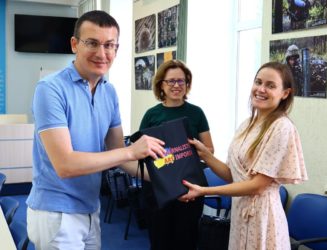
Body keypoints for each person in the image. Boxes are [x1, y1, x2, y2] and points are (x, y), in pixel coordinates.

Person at [26, 10, 165, 250]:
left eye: (109, 45)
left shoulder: (108, 92)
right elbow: (65, 165)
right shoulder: (50, 89)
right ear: (74, 45)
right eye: (92, 43)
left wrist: (170, 180)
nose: (102, 53)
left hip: (91, 209)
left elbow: (118, 154)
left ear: (116, 49)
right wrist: (132, 152)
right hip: (56, 212)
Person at [181, 62, 308, 250]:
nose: (261, 89)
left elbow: (257, 186)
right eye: (258, 82)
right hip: (241, 212)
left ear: (285, 93)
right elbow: (235, 176)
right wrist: (205, 155)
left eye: (271, 85)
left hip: (264, 217)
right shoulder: (248, 124)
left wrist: (204, 191)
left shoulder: (282, 127)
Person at [139, 59, 214, 250]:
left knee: (186, 240)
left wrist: (189, 151)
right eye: (171, 81)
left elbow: (209, 150)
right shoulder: (151, 115)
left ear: (187, 84)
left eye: (181, 81)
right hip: (159, 188)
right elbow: (141, 152)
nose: (176, 86)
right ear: (161, 85)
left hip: (189, 187)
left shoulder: (196, 113)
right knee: (160, 240)